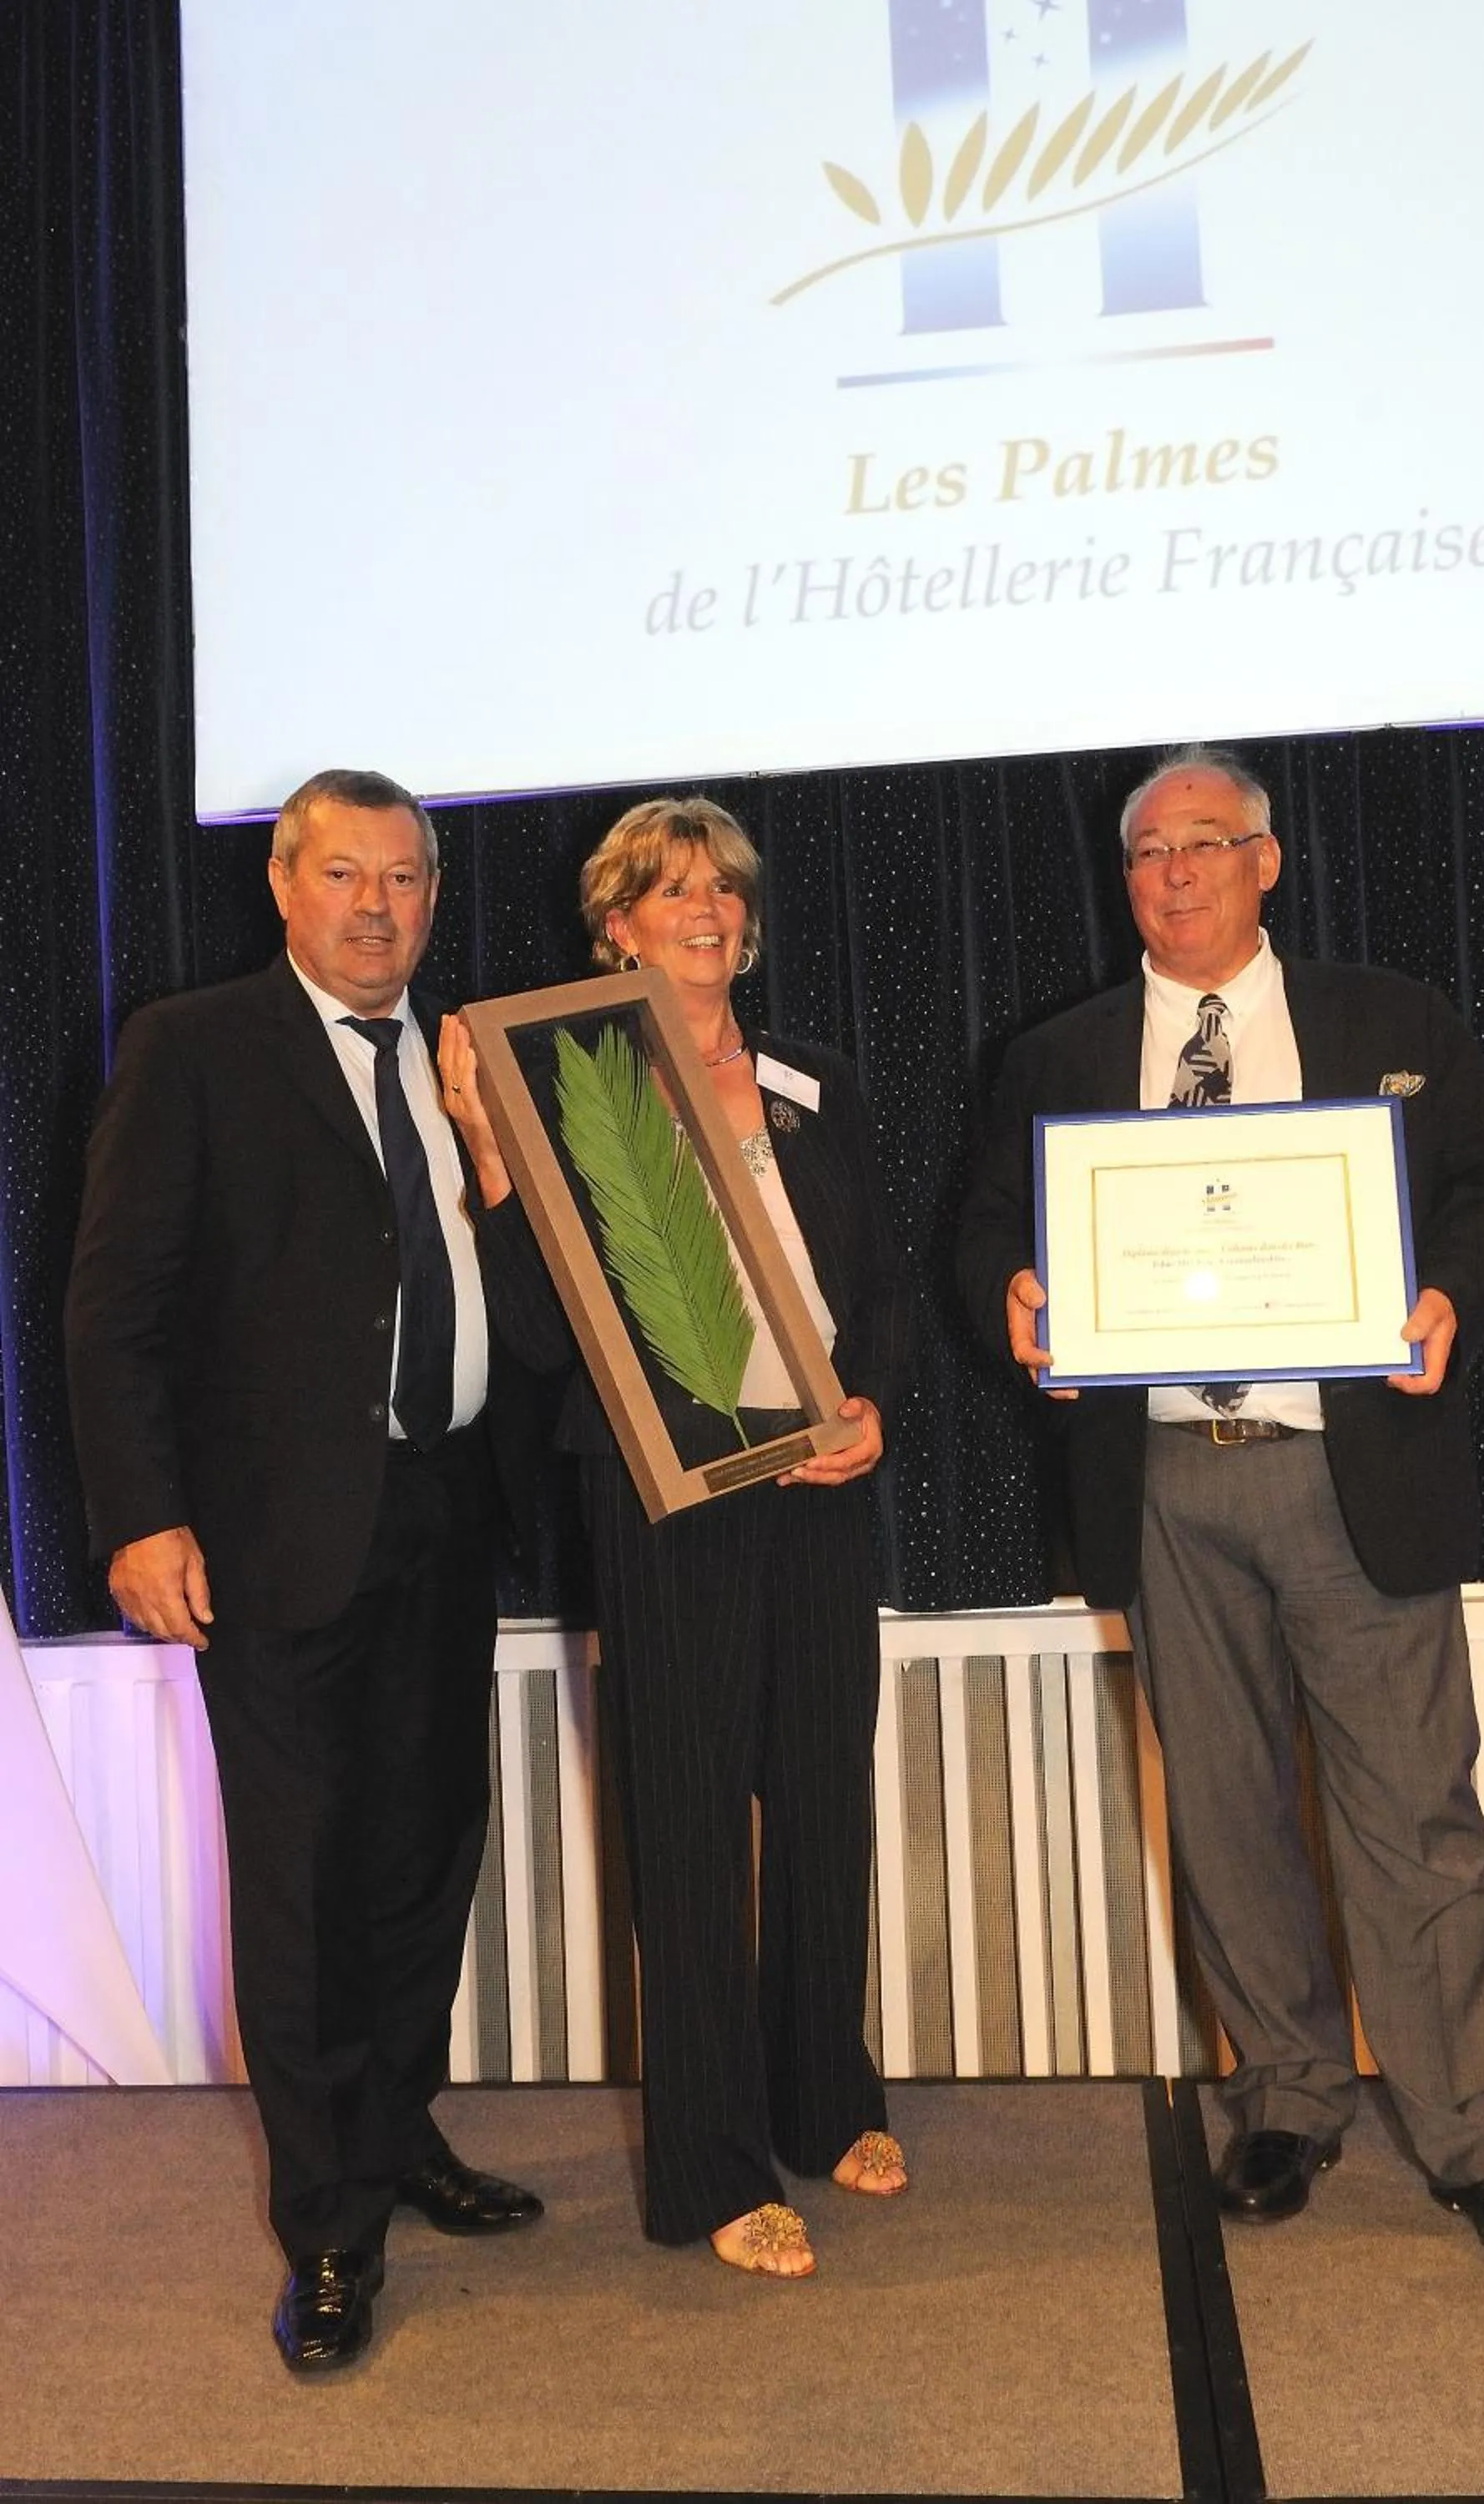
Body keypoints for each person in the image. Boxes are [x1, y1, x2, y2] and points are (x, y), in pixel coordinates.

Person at [957, 745, 1484, 2270]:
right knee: (1228, 1817)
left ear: (1269, 860)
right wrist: (1018, 1300)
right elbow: (982, 1230)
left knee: (1417, 1816)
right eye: (1148, 852)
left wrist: (1447, 1296)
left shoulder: (1389, 1021)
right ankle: (1289, 2098)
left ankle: (1473, 2138)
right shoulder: (1062, 1054)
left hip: (1350, 1470)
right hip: (1165, 1478)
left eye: (1205, 842)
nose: (1173, 872)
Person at [64, 768, 545, 2373]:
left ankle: (397, 2133)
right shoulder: (193, 1048)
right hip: (275, 1543)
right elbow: (112, 1307)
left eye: (405, 880)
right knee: (302, 1891)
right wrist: (141, 1516)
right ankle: (328, 2234)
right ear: (284, 885)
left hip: (445, 1517)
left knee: (427, 1859)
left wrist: (493, 1150)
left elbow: (519, 1279)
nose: (376, 907)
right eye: (343, 875)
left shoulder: (467, 1060)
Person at [440, 795, 912, 2279]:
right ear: (616, 928)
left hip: (827, 1483)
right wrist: (492, 1153)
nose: (704, 910)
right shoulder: (576, 1090)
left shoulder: (813, 1078)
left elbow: (877, 1282)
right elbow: (529, 1331)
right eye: (668, 890)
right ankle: (712, 2165)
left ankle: (825, 2096)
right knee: (694, 1822)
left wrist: (874, 1404)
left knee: (825, 1798)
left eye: (722, 889)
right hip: (666, 1497)